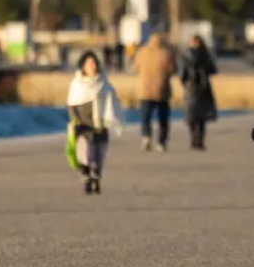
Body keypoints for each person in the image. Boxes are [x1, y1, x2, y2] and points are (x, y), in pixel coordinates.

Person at [66, 51, 123, 194]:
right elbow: (71, 103)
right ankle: (86, 176)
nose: (92, 66)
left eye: (94, 63)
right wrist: (75, 120)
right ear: (83, 67)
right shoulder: (77, 84)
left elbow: (113, 101)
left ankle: (96, 177)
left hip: (100, 123)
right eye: (89, 63)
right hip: (83, 124)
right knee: (85, 151)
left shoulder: (104, 83)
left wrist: (113, 119)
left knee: (99, 152)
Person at [133, 34, 176, 152]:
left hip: (145, 90)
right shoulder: (166, 53)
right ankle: (161, 141)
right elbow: (173, 70)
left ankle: (146, 136)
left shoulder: (142, 52)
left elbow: (135, 68)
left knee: (145, 117)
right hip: (162, 90)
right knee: (163, 117)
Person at [181, 35, 218, 150]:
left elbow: (182, 73)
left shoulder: (186, 55)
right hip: (202, 87)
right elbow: (213, 69)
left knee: (194, 116)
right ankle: (198, 140)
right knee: (200, 117)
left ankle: (195, 139)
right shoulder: (205, 54)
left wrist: (184, 82)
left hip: (192, 88)